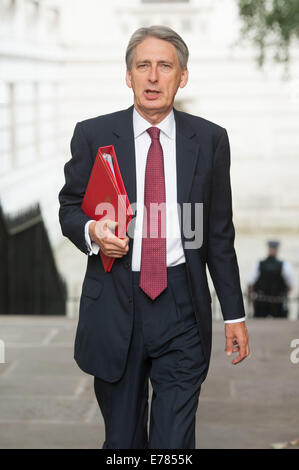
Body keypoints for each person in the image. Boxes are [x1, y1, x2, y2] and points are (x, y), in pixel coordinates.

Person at [58, 25, 250, 449]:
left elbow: (218, 232)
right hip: (115, 300)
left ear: (183, 76)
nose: (152, 76)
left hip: (182, 303)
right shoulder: (93, 135)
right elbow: (70, 208)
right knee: (123, 443)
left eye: (165, 66)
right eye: (143, 66)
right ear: (128, 76)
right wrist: (92, 229)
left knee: (174, 444)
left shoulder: (211, 139)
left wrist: (234, 314)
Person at [248, 240, 294, 318]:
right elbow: (290, 285)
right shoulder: (285, 265)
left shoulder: (258, 264)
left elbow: (250, 284)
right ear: (277, 249)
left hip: (261, 303)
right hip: (278, 303)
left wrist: (252, 300)